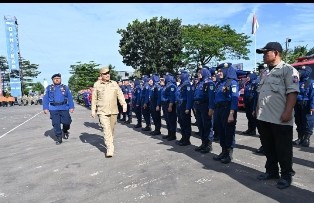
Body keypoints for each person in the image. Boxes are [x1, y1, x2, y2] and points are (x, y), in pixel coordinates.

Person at [255, 42, 300, 189]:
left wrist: (287, 112)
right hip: (264, 117)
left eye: (266, 52)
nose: (263, 55)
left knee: (283, 149)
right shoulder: (265, 72)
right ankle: (272, 171)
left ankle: (286, 175)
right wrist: (256, 110)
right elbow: (261, 93)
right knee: (268, 147)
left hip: (280, 118)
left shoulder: (288, 70)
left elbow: (292, 92)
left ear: (275, 52)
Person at [91, 67, 127, 158]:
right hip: (102, 111)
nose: (107, 75)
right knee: (106, 130)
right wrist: (93, 110)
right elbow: (94, 98)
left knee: (111, 130)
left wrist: (124, 104)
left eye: (108, 73)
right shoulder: (97, 85)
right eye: (105, 74)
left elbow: (120, 94)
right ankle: (110, 148)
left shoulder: (114, 83)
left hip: (113, 110)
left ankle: (109, 141)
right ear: (101, 75)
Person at [212, 63, 239, 163]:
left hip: (227, 109)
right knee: (221, 131)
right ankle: (223, 151)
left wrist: (231, 113)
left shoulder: (232, 82)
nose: (219, 73)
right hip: (219, 110)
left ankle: (229, 153)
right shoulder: (220, 83)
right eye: (218, 72)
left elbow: (234, 99)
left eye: (220, 71)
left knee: (228, 132)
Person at [43, 73, 75, 145]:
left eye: (58, 78)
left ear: (61, 79)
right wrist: (45, 108)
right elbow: (45, 98)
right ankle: (59, 137)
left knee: (67, 122)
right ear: (52, 80)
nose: (57, 79)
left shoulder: (65, 87)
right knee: (56, 123)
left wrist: (71, 107)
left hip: (64, 107)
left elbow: (70, 97)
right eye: (55, 78)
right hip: (53, 108)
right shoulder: (49, 88)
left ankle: (65, 130)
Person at [193, 68, 215, 153]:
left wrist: (211, 108)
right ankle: (203, 143)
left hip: (205, 106)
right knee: (200, 125)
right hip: (198, 105)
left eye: (200, 72)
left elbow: (211, 97)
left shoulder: (209, 83)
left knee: (207, 126)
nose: (198, 74)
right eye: (198, 72)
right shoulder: (199, 83)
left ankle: (208, 145)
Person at [293, 66, 314, 147]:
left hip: (307, 104)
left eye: (302, 71)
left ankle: (306, 139)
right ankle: (300, 138)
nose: (300, 72)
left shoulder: (311, 82)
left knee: (308, 121)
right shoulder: (297, 82)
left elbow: (313, 95)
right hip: (297, 104)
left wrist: (312, 106)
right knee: (298, 120)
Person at [175, 70, 194, 146]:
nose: (179, 76)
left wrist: (188, 108)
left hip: (184, 105)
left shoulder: (187, 85)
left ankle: (187, 139)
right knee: (181, 122)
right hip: (179, 105)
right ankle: (183, 137)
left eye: (180, 75)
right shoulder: (181, 85)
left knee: (186, 123)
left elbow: (190, 97)